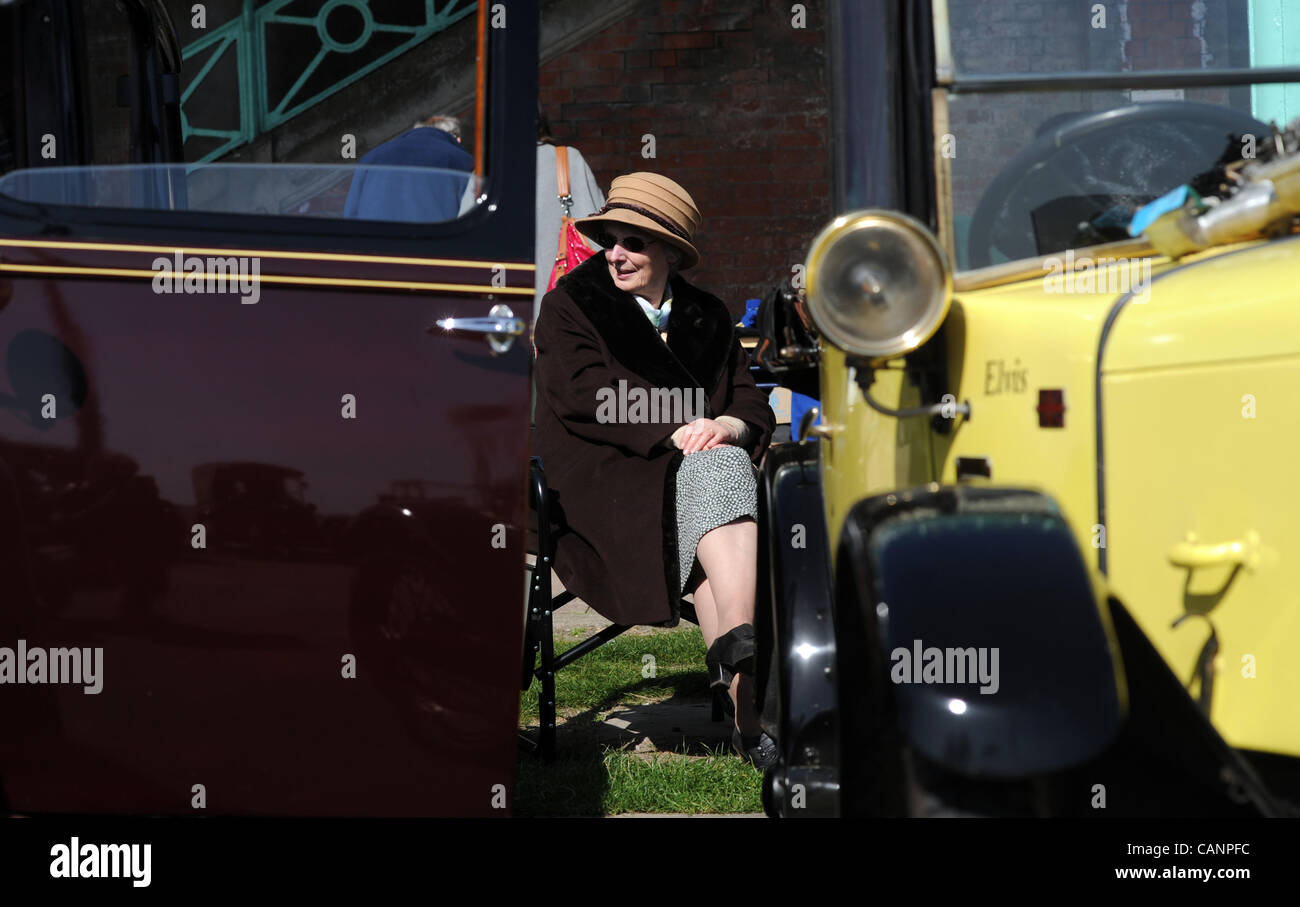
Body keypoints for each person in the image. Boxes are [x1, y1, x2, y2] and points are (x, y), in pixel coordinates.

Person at [532, 172, 777, 767]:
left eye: (633, 243)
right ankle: (748, 674)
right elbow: (584, 391)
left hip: (695, 479)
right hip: (601, 480)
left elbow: (750, 403)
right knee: (719, 480)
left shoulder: (710, 316)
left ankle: (739, 673)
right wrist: (676, 424)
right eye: (610, 239)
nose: (615, 254)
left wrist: (727, 427)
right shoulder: (571, 304)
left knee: (718, 469)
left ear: (670, 251)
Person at [534, 105, 605, 307]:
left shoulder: (487, 168)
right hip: (563, 306)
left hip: (500, 312)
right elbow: (598, 233)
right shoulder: (568, 159)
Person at [344, 115, 472, 223]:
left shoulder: (372, 157)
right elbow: (470, 216)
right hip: (428, 246)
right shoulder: (462, 160)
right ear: (457, 139)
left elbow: (351, 214)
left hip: (374, 244)